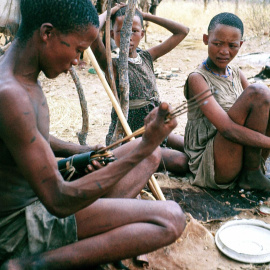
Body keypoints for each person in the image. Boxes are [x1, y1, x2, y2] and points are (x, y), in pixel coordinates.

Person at [0, 0, 187, 269]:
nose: (77, 62)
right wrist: (145, 144)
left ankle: (93, 232)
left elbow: (26, 136)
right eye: (77, 50)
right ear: (47, 33)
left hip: (39, 196)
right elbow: (58, 200)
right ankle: (30, 264)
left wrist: (77, 154)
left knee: (149, 156)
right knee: (171, 218)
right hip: (21, 224)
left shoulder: (17, 70)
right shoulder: (11, 95)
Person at [91, 5, 190, 175]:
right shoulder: (111, 65)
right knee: (182, 162)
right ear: (112, 34)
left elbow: (183, 31)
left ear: (142, 34)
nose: (127, 36)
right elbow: (91, 30)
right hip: (131, 137)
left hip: (155, 126)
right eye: (121, 31)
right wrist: (110, 13)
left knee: (190, 147)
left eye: (134, 31)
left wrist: (145, 16)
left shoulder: (147, 57)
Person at [184, 12, 270, 191]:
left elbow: (262, 108)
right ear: (206, 39)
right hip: (213, 161)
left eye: (232, 46)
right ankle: (251, 174)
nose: (224, 51)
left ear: (241, 45)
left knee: (265, 99)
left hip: (240, 158)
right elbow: (227, 130)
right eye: (217, 43)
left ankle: (251, 172)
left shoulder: (237, 73)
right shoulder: (197, 79)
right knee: (260, 90)